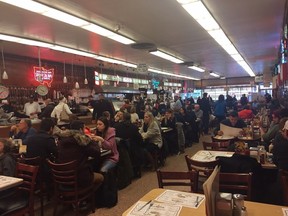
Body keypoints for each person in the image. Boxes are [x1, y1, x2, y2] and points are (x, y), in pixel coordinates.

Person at [55, 120, 104, 189]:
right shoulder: (81, 141)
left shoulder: (62, 140)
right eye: (84, 128)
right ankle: (86, 195)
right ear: (81, 130)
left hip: (62, 178)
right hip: (79, 178)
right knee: (100, 177)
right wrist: (91, 140)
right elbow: (97, 153)